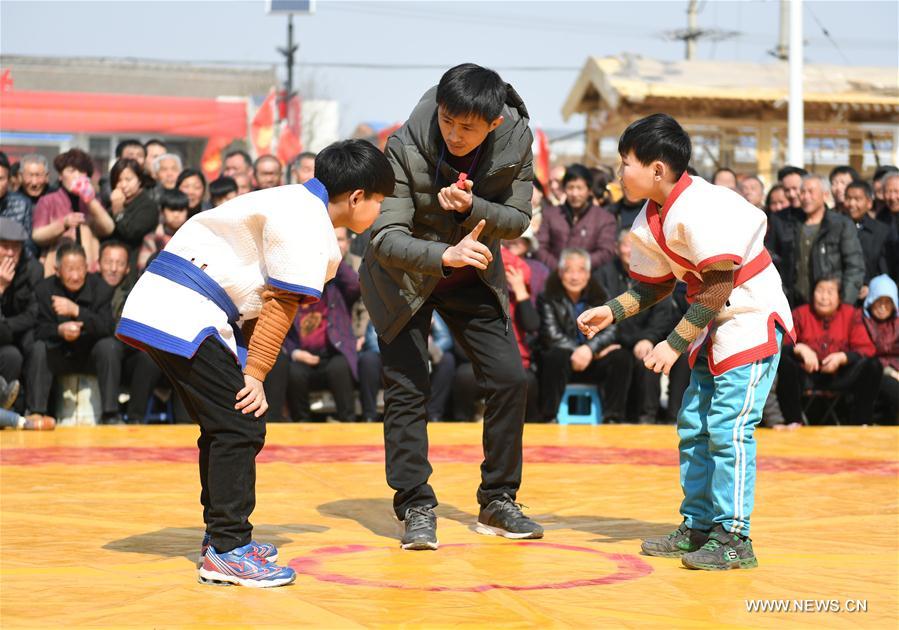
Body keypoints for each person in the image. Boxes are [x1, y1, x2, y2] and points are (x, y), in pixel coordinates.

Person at [115, 139, 394, 588]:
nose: (381, 209)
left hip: (178, 303)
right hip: (184, 306)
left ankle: (219, 538)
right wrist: (256, 374)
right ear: (358, 196)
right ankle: (227, 549)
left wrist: (247, 362)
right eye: (381, 200)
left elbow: (256, 303)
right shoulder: (309, 222)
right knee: (239, 423)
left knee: (223, 423)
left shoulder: (291, 201)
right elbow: (280, 306)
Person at [577, 114, 794, 570]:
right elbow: (653, 287)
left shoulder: (702, 204)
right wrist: (611, 310)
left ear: (656, 169)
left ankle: (735, 536)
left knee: (729, 429)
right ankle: (698, 525)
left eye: (625, 163)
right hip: (711, 324)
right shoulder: (649, 217)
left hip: (748, 317)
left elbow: (718, 285)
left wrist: (672, 344)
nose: (620, 173)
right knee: (695, 425)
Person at [360, 63, 543, 550]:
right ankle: (415, 503)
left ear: (493, 124)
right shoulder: (404, 144)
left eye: (468, 127)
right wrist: (444, 253)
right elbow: (384, 237)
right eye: (448, 121)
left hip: (473, 274)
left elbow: (519, 219)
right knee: (406, 389)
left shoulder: (517, 140)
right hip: (403, 279)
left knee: (510, 378)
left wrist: (472, 208)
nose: (455, 134)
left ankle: (499, 499)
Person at [26, 242, 121, 424]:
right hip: (59, 354)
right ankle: (37, 411)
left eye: (80, 269)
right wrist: (59, 330)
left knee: (109, 346)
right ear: (57, 270)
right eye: (70, 269)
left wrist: (77, 311)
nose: (76, 276)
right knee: (38, 348)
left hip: (89, 355)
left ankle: (111, 414)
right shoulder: (43, 290)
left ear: (87, 267)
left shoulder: (101, 288)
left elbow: (107, 327)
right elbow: (37, 329)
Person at [596, 229, 680, 422]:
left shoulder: (656, 273)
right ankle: (613, 417)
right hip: (616, 341)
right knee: (619, 358)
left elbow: (662, 314)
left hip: (648, 341)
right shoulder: (603, 275)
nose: (631, 250)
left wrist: (648, 338)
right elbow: (603, 312)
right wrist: (620, 341)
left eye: (636, 246)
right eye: (626, 245)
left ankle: (648, 417)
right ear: (617, 248)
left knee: (651, 360)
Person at [538, 248, 628, 422]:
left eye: (580, 270)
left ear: (588, 274)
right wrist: (581, 352)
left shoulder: (600, 295)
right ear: (560, 273)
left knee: (621, 357)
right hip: (563, 363)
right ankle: (549, 416)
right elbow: (551, 335)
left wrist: (590, 350)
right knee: (553, 355)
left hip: (593, 360)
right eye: (569, 270)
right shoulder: (548, 295)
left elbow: (612, 329)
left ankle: (613, 418)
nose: (574, 276)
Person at [776, 277, 880, 425]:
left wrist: (843, 357)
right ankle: (793, 421)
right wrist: (798, 349)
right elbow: (778, 346)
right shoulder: (800, 314)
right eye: (820, 291)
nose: (824, 297)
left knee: (874, 366)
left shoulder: (851, 314)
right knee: (785, 363)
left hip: (840, 375)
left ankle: (861, 423)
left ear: (839, 297)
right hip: (807, 375)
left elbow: (867, 349)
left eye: (830, 292)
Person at [766, 175, 864, 307]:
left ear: (825, 194)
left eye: (811, 192)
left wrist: (844, 303)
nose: (805, 197)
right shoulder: (792, 225)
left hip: (830, 305)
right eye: (803, 192)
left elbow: (854, 267)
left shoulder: (841, 224)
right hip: (795, 306)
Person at [98, 240, 163, 423]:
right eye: (109, 262)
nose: (113, 268)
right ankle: (110, 415)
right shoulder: (90, 285)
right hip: (101, 355)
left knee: (149, 357)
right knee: (107, 347)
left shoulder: (134, 291)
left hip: (133, 356)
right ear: (98, 263)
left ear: (128, 268)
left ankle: (136, 418)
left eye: (119, 264)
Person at [32, 149, 115, 275]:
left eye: (81, 171)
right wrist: (63, 224)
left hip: (89, 269)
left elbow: (108, 228)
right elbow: (37, 236)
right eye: (71, 171)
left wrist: (90, 200)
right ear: (60, 175)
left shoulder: (93, 201)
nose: (76, 175)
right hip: (57, 269)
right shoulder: (48, 200)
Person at [536, 163, 616, 271]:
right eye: (570, 187)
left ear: (589, 190)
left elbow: (606, 251)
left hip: (591, 278)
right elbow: (540, 247)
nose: (574, 193)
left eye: (579, 188)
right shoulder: (550, 214)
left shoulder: (604, 219)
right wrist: (560, 268)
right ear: (564, 189)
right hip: (555, 276)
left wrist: (580, 267)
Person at [0, 218, 43, 408]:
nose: (10, 253)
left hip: (17, 331)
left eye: (15, 247)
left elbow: (34, 313)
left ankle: (35, 409)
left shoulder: (32, 269)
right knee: (11, 355)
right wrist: (1, 287)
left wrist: (7, 327)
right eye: (4, 246)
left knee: (34, 346)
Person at [107, 158, 160, 283]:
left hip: (134, 267)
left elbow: (131, 232)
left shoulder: (148, 206)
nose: (123, 185)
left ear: (139, 180)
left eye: (128, 179)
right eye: (119, 180)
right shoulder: (113, 203)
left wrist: (119, 211)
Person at [862, 275, 899, 424]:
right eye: (879, 302)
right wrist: (891, 371)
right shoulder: (862, 322)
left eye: (887, 303)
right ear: (871, 301)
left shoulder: (897, 323)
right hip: (874, 370)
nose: (883, 307)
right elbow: (866, 351)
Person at [843, 181, 888, 301]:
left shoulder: (881, 231)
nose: (852, 203)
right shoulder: (835, 228)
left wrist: (871, 286)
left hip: (872, 298)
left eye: (857, 199)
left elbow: (885, 269)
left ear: (869, 203)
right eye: (848, 198)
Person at [138, 189, 189, 272]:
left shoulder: (192, 238)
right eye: (172, 210)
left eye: (181, 210)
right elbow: (142, 271)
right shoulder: (152, 239)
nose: (176, 215)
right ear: (162, 212)